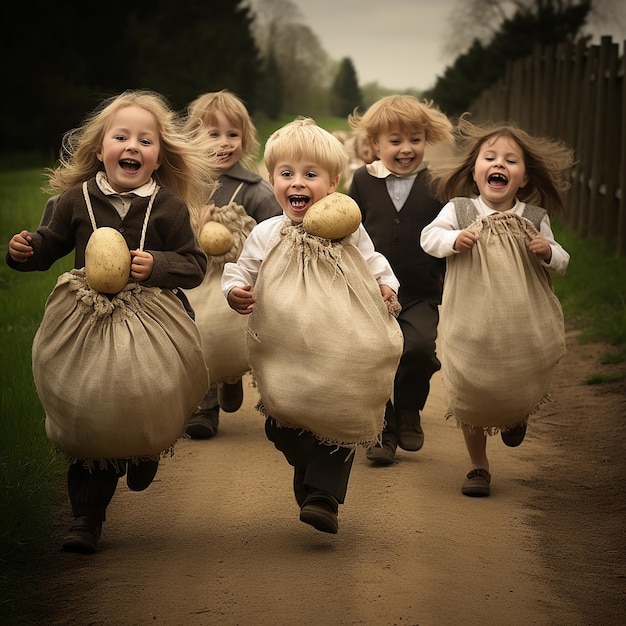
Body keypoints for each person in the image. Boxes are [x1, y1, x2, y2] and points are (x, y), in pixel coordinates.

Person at [6, 89, 215, 552]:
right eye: (121, 137)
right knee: (89, 408)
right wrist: (25, 251)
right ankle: (86, 516)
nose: (133, 147)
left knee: (147, 390)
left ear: (159, 157)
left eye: (146, 140)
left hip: (151, 320)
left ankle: (143, 446)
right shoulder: (75, 201)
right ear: (100, 149)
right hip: (89, 320)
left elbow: (194, 265)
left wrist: (155, 265)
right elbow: (48, 245)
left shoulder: (169, 207)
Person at [221, 118, 400, 533]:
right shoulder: (267, 232)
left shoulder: (348, 231)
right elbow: (240, 270)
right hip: (284, 347)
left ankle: (322, 495)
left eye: (310, 175)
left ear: (333, 183)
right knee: (282, 420)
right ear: (272, 180)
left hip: (338, 343)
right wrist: (234, 291)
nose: (297, 183)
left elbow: (376, 264)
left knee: (340, 408)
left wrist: (386, 287)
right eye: (287, 174)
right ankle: (308, 465)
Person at [420, 114, 573, 497]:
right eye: (490, 158)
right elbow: (428, 238)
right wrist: (454, 240)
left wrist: (546, 250)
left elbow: (563, 260)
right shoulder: (459, 211)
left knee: (519, 371)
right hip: (469, 323)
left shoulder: (535, 218)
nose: (499, 164)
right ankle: (478, 466)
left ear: (523, 177)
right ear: (475, 172)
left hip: (520, 322)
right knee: (470, 387)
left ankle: (514, 413)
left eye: (510, 160)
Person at [347, 95, 453, 465]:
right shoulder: (362, 180)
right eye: (395, 141)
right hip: (371, 290)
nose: (406, 149)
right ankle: (384, 426)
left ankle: (409, 408)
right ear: (375, 144)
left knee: (419, 348)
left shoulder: (439, 183)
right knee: (375, 357)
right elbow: (348, 226)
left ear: (427, 140)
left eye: (415, 139)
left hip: (422, 289)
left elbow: (449, 232)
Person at [183, 90, 281, 440]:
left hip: (237, 280)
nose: (224, 143)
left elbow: (276, 233)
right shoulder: (184, 186)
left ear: (246, 138)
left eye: (232, 135)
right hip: (194, 278)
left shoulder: (255, 190)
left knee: (232, 336)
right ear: (193, 137)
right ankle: (204, 405)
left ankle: (231, 375)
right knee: (197, 333)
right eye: (213, 134)